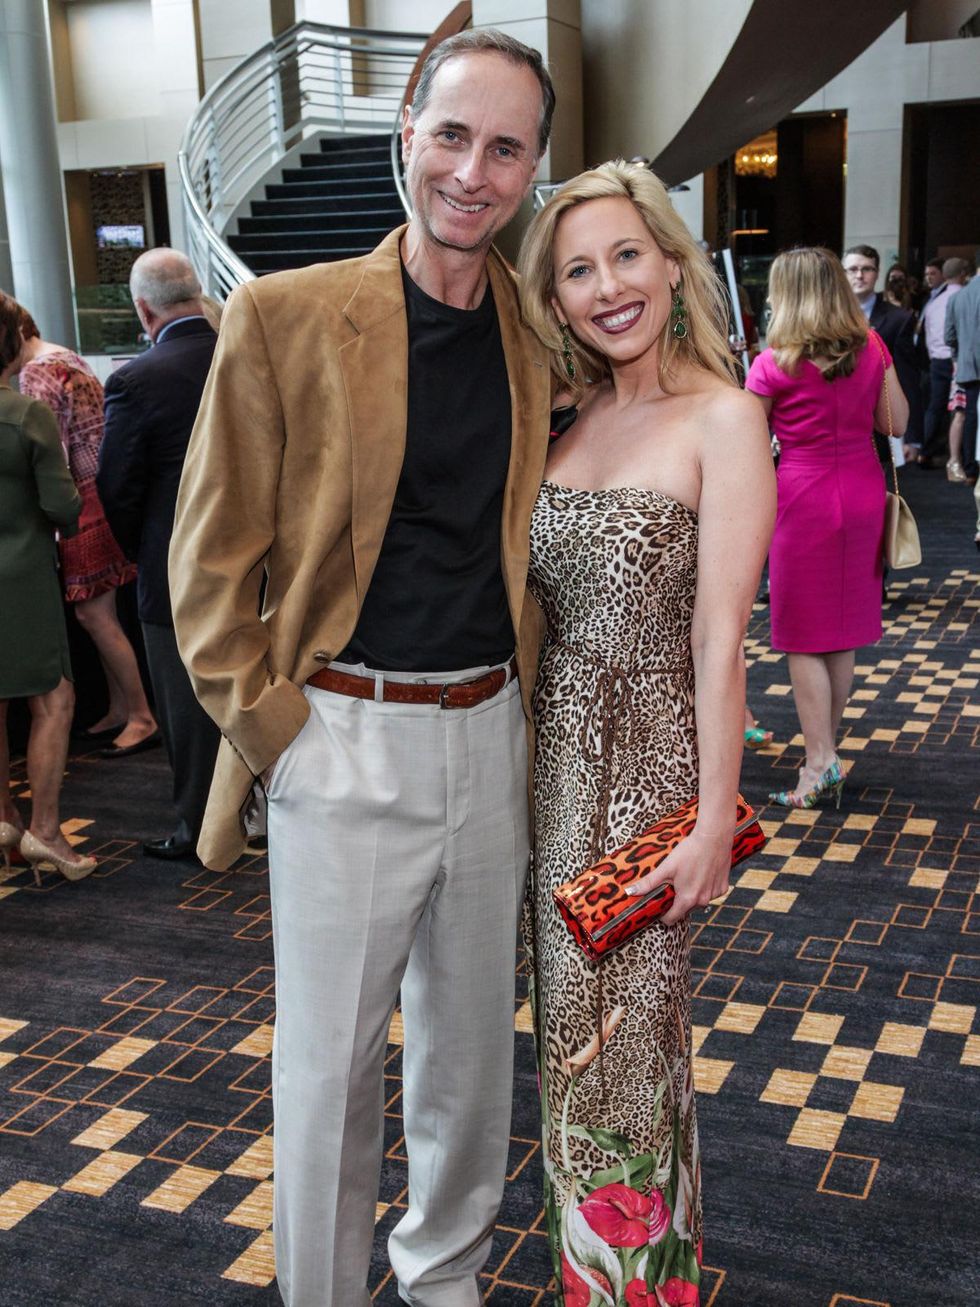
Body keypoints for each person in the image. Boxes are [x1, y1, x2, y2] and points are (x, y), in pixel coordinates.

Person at [168, 29, 554, 1307]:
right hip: (345, 734)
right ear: (405, 130)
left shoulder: (536, 334)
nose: (472, 172)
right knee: (329, 1072)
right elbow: (209, 562)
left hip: (492, 732)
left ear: (532, 168)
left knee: (463, 1067)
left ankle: (441, 1283)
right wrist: (279, 729)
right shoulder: (286, 316)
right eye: (453, 135)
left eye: (505, 148)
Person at [517, 161, 775, 1302]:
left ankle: (634, 1286)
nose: (605, 285)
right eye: (576, 269)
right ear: (555, 299)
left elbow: (721, 637)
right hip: (546, 774)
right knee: (568, 1059)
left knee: (620, 1049)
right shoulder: (564, 421)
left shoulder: (725, 416)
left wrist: (712, 820)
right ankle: (610, 1279)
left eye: (625, 255)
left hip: (644, 782)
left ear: (672, 263)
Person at [746, 249, 909, 808]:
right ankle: (826, 753)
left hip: (801, 497)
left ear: (786, 295)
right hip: (861, 492)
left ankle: (818, 763)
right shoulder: (872, 348)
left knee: (800, 635)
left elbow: (744, 445)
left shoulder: (773, 364)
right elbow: (896, 424)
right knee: (839, 631)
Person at [96, 249, 221, 861]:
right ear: (197, 293)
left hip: (174, 572)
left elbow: (116, 488)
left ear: (142, 309)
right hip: (263, 568)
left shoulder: (134, 380)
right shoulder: (244, 353)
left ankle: (200, 829)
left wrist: (142, 551)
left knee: (184, 706)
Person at [14, 303, 159, 755]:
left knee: (94, 615)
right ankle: (121, 708)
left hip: (81, 499)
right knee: (105, 614)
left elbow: (48, 450)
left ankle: (140, 715)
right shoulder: (66, 356)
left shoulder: (36, 374)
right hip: (104, 490)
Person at [0, 292, 96, 885]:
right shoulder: (24, 415)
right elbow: (65, 505)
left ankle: (4, 820)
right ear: (11, 344)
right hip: (21, 577)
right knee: (53, 698)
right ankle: (49, 832)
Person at [842, 244, 922, 455]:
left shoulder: (899, 319)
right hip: (834, 423)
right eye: (853, 269)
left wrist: (912, 437)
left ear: (877, 273)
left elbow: (908, 377)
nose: (859, 275)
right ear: (843, 274)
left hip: (880, 424)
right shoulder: (824, 317)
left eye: (867, 269)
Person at [918, 256, 967, 468]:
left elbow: (925, 333)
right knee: (961, 409)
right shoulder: (965, 297)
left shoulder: (933, 303)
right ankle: (961, 457)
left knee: (935, 407)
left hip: (936, 359)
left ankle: (926, 452)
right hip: (959, 358)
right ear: (964, 275)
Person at [945, 251, 980, 487]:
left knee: (970, 417)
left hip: (968, 368)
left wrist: (960, 357)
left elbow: (949, 337)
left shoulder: (957, 298)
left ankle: (970, 469)